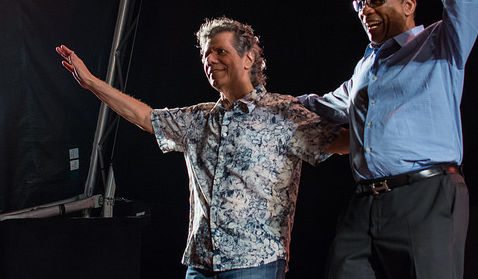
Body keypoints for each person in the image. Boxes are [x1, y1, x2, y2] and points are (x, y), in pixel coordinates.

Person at [297, 0, 478, 279]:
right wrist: (266, 101)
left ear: (408, 4)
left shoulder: (441, 43)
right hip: (365, 204)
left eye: (376, 0)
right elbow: (327, 105)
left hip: (426, 196)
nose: (365, 11)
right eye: (359, 3)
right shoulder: (368, 65)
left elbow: (468, 1)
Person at [56, 17, 348, 279]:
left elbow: (341, 143)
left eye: (220, 50)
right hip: (201, 264)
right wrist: (91, 82)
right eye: (206, 53)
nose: (210, 58)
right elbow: (146, 117)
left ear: (249, 59)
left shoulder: (283, 112)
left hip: (255, 264)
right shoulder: (199, 118)